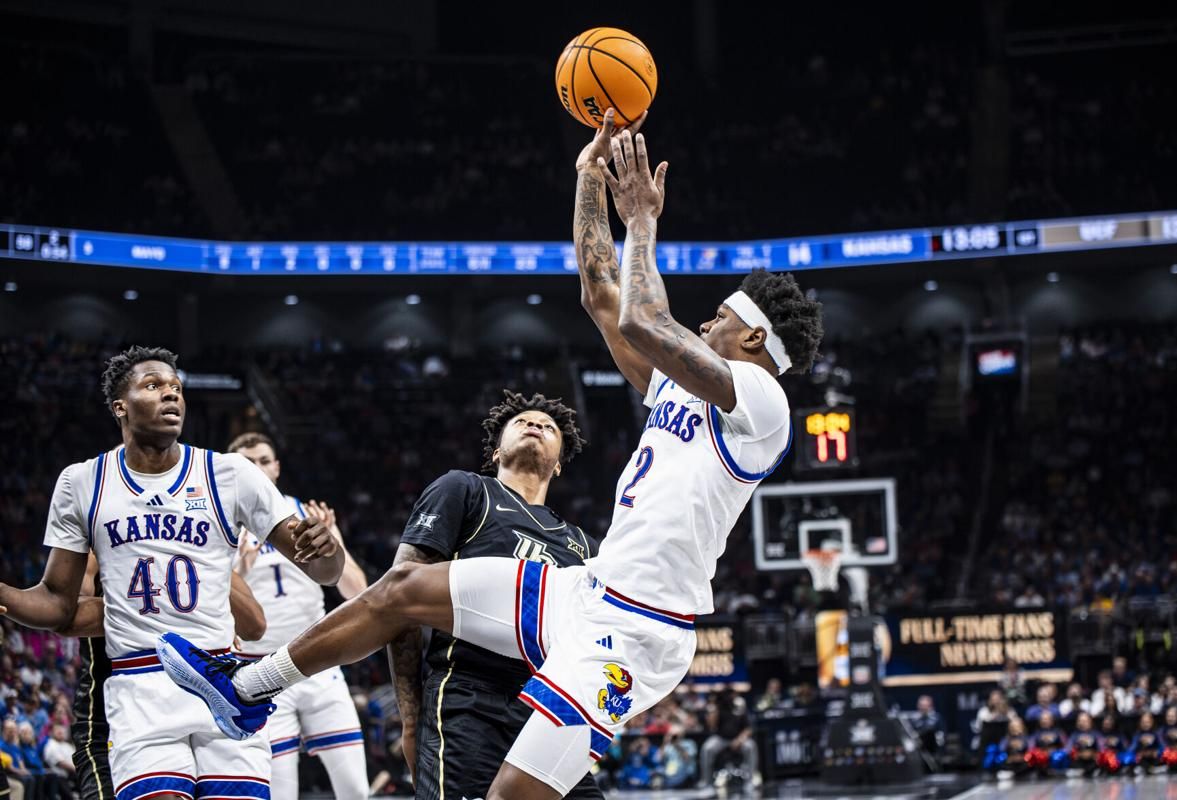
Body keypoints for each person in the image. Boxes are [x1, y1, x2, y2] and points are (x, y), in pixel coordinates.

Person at [157, 120, 821, 800]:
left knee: (510, 797)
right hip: (585, 593)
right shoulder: (680, 389)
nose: (706, 325)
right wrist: (587, 179)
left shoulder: (764, 405)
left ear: (753, 335)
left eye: (717, 317)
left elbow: (644, 322)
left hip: (638, 630)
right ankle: (244, 689)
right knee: (401, 592)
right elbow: (602, 297)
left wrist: (643, 221)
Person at [0, 345, 344, 800]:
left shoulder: (231, 473)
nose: (171, 396)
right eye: (153, 386)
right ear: (120, 406)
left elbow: (323, 571)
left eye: (176, 388)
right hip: (140, 685)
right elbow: (55, 602)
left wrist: (327, 548)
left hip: (224, 680)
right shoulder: (83, 481)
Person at [385, 391, 604, 800]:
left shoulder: (585, 548)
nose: (536, 425)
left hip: (549, 713)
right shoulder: (466, 491)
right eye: (522, 422)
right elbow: (398, 601)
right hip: (468, 699)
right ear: (496, 450)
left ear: (558, 465)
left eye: (549, 426)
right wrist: (411, 722)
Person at [228, 432, 371, 800]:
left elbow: (357, 592)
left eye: (263, 460)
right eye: (247, 462)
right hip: (260, 670)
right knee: (280, 793)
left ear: (276, 467)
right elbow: (215, 608)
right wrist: (241, 570)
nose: (256, 468)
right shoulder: (222, 525)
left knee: (356, 790)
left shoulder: (308, 518)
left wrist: (334, 538)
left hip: (317, 663)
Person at [62, 551, 266, 800]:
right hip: (113, 712)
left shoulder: (199, 546)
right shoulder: (98, 545)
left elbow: (255, 626)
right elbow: (68, 616)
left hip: (200, 705)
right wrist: (170, 611)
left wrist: (211, 594)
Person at [699, 690, 757, 788]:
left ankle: (750, 781)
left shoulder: (740, 707)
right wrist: (714, 708)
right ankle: (706, 781)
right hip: (721, 738)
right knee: (707, 748)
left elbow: (748, 728)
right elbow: (712, 726)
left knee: (751, 746)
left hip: (738, 738)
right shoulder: (718, 708)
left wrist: (739, 740)